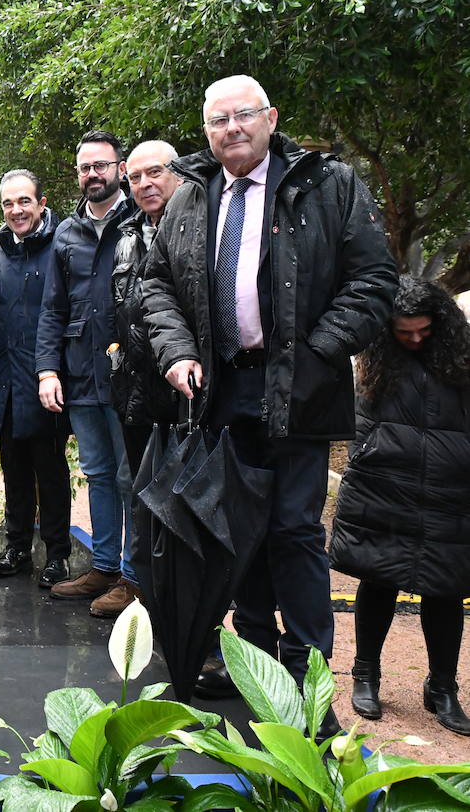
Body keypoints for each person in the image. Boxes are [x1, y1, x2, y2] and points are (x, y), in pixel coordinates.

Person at [142, 75, 396, 733]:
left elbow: (374, 281)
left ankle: (308, 692)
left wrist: (315, 352)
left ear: (270, 118)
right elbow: (157, 285)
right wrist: (176, 353)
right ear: (205, 131)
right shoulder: (191, 194)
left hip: (301, 387)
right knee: (238, 537)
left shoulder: (328, 184)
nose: (230, 129)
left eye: (242, 116)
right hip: (219, 390)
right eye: (217, 120)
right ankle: (254, 672)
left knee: (292, 532)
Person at [330, 277, 470, 736]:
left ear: (441, 324)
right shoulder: (378, 354)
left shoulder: (461, 356)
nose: (413, 338)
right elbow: (361, 416)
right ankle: (366, 674)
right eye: (404, 330)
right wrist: (366, 454)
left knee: (447, 588)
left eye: (423, 331)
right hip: (388, 481)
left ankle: (442, 687)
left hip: (452, 486)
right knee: (380, 577)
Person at [36, 130, 141, 617]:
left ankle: (135, 577)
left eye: (101, 165)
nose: (92, 174)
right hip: (79, 373)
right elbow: (53, 310)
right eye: (84, 167)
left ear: (119, 168)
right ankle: (103, 566)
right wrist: (46, 370)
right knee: (97, 473)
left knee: (130, 476)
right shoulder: (66, 233)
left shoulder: (140, 220)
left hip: (131, 374)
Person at [0, 169, 71, 587]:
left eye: (24, 201)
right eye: (8, 203)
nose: (16, 210)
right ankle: (16, 546)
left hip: (48, 379)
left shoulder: (61, 245)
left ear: (41, 203)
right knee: (13, 469)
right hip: (6, 378)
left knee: (50, 470)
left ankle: (58, 554)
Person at [112, 141, 184, 475]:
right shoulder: (126, 238)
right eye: (136, 177)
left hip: (185, 395)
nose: (145, 184)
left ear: (179, 176)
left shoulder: (199, 229)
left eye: (155, 172)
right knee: (144, 502)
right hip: (137, 396)